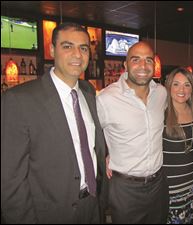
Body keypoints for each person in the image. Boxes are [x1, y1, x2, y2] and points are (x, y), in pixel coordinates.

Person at [1, 22, 107, 224]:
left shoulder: (88, 92)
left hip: (93, 205)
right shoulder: (19, 99)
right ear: (52, 50)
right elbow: (9, 179)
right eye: (67, 46)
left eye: (83, 48)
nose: (77, 54)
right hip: (50, 213)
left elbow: (92, 146)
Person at [96, 41, 169, 223]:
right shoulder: (106, 99)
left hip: (158, 184)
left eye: (148, 60)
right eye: (136, 60)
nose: (143, 66)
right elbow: (91, 135)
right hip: (125, 188)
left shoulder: (161, 93)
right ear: (126, 65)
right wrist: (103, 155)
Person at [163, 67, 193, 224]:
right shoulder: (160, 112)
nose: (182, 89)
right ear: (169, 87)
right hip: (171, 187)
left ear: (192, 89)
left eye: (187, 85)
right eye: (176, 84)